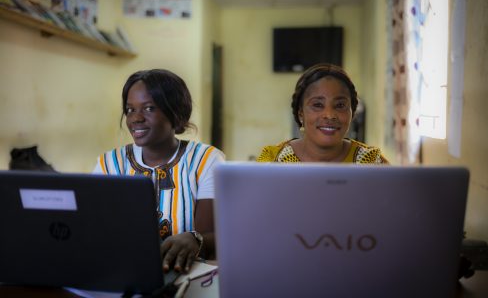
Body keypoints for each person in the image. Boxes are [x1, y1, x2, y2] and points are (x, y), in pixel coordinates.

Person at [93, 69, 225, 273]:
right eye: (130, 110)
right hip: (123, 270)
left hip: (186, 274)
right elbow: (94, 226)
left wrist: (194, 239)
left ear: (176, 114)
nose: (136, 118)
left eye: (149, 108)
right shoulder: (110, 163)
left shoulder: (206, 160)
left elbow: (209, 235)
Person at [257, 63, 388, 163]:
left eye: (340, 105)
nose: (329, 115)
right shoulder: (273, 160)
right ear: (300, 113)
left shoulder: (371, 162)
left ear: (352, 112)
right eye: (317, 105)